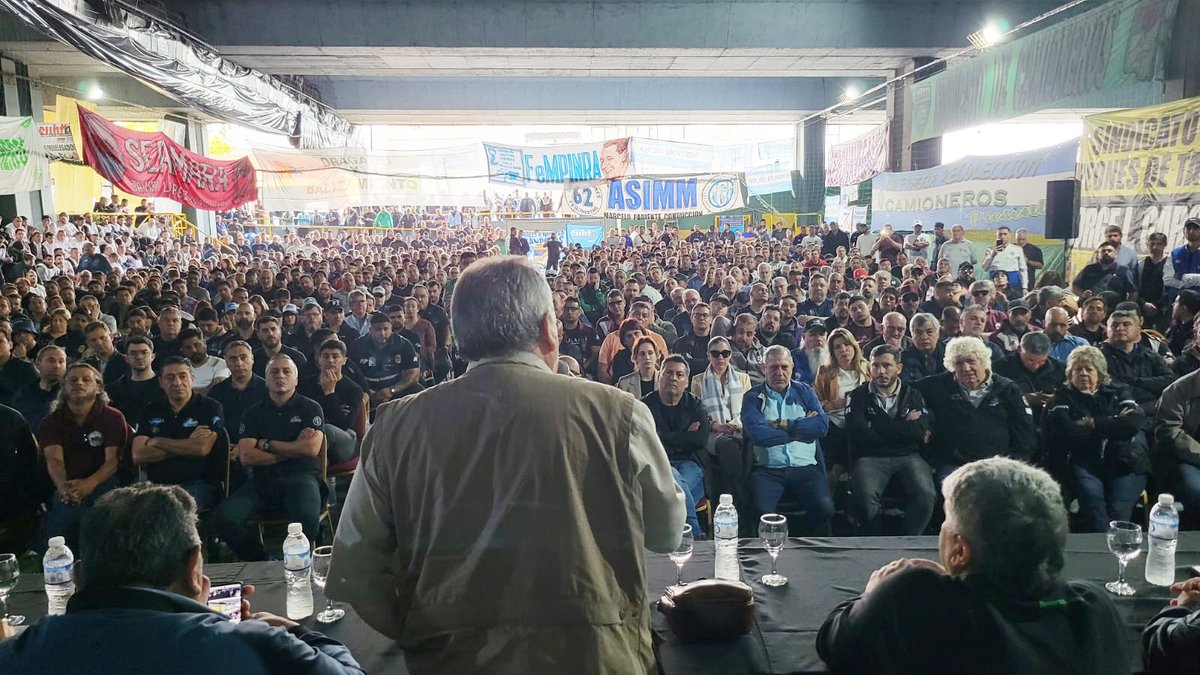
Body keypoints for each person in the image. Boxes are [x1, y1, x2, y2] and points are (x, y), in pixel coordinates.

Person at [327, 256, 684, 674]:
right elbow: (666, 533)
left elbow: (358, 573)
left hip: (451, 660)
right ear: (549, 329)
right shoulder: (619, 413)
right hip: (596, 656)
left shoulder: (396, 425)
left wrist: (423, 633)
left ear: (459, 338)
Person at [0, 484, 364, 674]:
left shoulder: (18, 652)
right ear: (194, 567)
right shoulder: (256, 644)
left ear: (78, 576)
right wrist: (294, 632)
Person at [817, 457, 1130, 674]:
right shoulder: (1092, 608)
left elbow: (837, 644)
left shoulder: (912, 595)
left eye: (947, 521)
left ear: (960, 550)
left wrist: (874, 592)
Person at [211, 355, 326, 561]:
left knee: (308, 520)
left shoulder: (311, 408)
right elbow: (247, 456)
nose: (280, 376)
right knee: (223, 519)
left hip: (301, 477)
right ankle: (261, 560)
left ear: (296, 379)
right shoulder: (252, 413)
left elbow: (310, 449)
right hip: (262, 480)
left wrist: (266, 444)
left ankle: (297, 566)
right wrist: (292, 450)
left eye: (286, 371)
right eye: (274, 372)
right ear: (266, 378)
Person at [1042, 346, 1148, 533]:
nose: (1083, 373)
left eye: (1088, 369)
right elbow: (1067, 432)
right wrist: (1114, 422)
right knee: (1094, 504)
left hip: (1124, 460)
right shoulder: (1061, 397)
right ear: (1070, 374)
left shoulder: (1119, 391)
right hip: (1083, 462)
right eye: (1077, 369)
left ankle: (1118, 551)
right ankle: (1104, 553)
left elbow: (1132, 424)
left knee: (1119, 509)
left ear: (1099, 373)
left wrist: (1093, 424)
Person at [916, 336, 1036, 483]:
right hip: (954, 466)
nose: (966, 368)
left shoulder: (1007, 389)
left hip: (998, 464)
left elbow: (1024, 430)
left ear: (984, 362)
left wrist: (1014, 463)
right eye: (959, 363)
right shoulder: (938, 386)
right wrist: (922, 418)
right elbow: (907, 391)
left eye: (971, 361)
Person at [741, 345, 834, 535]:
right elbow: (758, 435)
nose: (780, 372)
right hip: (768, 470)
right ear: (763, 368)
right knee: (760, 511)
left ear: (792, 367)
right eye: (773, 367)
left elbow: (822, 427)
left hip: (806, 468)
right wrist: (802, 428)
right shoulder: (752, 398)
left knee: (825, 509)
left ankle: (806, 546)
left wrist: (785, 424)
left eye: (784, 367)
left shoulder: (805, 392)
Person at [845, 344, 936, 535]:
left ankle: (909, 541)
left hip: (909, 456)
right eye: (876, 366)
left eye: (886, 365)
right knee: (864, 497)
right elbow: (859, 435)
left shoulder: (914, 395)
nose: (880, 371)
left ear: (899, 368)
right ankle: (878, 541)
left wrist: (878, 426)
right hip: (871, 458)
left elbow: (919, 432)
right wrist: (904, 426)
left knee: (926, 495)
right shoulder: (857, 396)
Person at [38, 362, 128, 552]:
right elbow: (54, 459)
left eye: (86, 379)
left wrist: (89, 484)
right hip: (68, 483)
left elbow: (112, 461)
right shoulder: (51, 421)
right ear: (64, 388)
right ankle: (47, 558)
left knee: (98, 509)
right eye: (72, 380)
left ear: (98, 388)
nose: (79, 383)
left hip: (105, 480)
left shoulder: (112, 417)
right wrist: (63, 487)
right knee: (65, 506)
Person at [132, 356, 226, 513]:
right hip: (156, 484)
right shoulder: (151, 409)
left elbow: (201, 448)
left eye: (183, 376)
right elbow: (138, 455)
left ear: (192, 378)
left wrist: (157, 440)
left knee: (171, 512)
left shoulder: (210, 407)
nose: (176, 382)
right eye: (170, 377)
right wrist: (187, 444)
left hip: (199, 482)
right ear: (161, 382)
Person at [644, 355, 711, 537]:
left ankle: (670, 538)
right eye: (668, 373)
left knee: (672, 491)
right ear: (660, 376)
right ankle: (695, 534)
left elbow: (700, 440)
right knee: (674, 483)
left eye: (679, 374)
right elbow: (645, 441)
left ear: (686, 382)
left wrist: (661, 437)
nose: (673, 378)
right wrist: (684, 436)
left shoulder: (696, 405)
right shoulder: (644, 406)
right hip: (657, 465)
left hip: (690, 464)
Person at [690, 335, 752, 515]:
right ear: (708, 355)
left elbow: (748, 410)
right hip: (711, 432)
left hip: (738, 428)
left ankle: (727, 501)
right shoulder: (698, 380)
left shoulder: (743, 379)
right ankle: (739, 501)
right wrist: (716, 425)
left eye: (725, 353)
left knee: (737, 445)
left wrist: (733, 425)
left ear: (730, 355)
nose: (720, 358)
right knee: (727, 445)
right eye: (715, 354)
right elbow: (697, 414)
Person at [812, 327, 869, 479]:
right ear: (832, 351)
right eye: (837, 347)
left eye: (847, 344)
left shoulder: (867, 367)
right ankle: (842, 471)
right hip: (835, 418)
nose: (843, 350)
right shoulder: (825, 371)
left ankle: (842, 470)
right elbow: (815, 400)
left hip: (862, 417)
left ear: (854, 346)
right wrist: (832, 404)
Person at [299, 339, 364, 466]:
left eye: (335, 356)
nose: (330, 360)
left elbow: (343, 424)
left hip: (345, 439)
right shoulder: (305, 384)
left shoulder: (353, 389)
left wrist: (329, 393)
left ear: (344, 361)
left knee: (326, 430)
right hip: (308, 435)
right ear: (319, 359)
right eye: (326, 356)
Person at [349, 312, 420, 409]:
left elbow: (413, 374)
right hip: (366, 390)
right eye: (378, 329)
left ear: (391, 328)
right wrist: (367, 391)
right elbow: (350, 374)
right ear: (370, 330)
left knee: (418, 389)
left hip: (395, 389)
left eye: (386, 329)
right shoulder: (358, 345)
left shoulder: (403, 344)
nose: (382, 333)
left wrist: (392, 390)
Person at [994, 331, 1064, 426]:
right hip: (1012, 423)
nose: (1035, 366)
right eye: (1030, 360)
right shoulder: (999, 369)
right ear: (1019, 349)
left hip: (1050, 423)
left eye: (1041, 361)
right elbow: (992, 401)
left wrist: (1056, 399)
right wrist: (1022, 399)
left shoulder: (1060, 369)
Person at [207, 340, 267, 446]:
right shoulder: (216, 392)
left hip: (258, 447)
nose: (239, 363)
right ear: (226, 361)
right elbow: (212, 424)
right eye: (233, 359)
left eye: (243, 357)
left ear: (252, 359)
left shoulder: (267, 389)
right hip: (226, 448)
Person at [11, 343, 67, 433]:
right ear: (37, 364)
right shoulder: (24, 392)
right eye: (51, 361)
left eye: (61, 361)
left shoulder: (69, 393)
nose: (57, 366)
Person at [1072, 241, 1137, 300]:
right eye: (1103, 251)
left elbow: (1133, 293)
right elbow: (1074, 286)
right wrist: (1082, 294)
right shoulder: (1089, 269)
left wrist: (1125, 306)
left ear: (1116, 254)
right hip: (1091, 308)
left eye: (1109, 251)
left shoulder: (1124, 271)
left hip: (1113, 309)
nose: (1106, 253)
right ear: (1098, 254)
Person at [900, 313, 946, 382]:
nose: (924, 337)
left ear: (937, 333)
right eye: (918, 333)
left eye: (929, 332)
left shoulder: (949, 353)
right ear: (912, 335)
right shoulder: (903, 358)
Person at [982, 225, 1028, 292]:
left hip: (1013, 282)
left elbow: (1023, 269)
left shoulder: (1017, 249)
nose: (1002, 237)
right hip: (996, 282)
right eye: (1000, 234)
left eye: (1005, 234)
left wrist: (1024, 287)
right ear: (997, 236)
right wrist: (992, 255)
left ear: (1009, 235)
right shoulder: (990, 249)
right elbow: (985, 268)